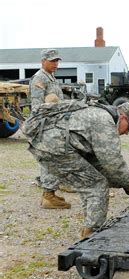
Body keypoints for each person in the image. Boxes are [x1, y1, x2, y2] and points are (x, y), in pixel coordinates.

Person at [23, 97, 129, 239]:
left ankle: (89, 228)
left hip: (49, 145)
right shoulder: (104, 121)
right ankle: (91, 235)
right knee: (97, 185)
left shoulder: (98, 114)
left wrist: (128, 184)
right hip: (56, 148)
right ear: (123, 117)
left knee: (89, 181)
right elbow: (113, 163)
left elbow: (99, 165)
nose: (126, 133)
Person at [29, 48, 69, 209]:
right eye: (52, 61)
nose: (56, 64)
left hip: (55, 124)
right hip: (45, 126)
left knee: (56, 159)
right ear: (43, 61)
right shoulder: (39, 78)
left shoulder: (50, 77)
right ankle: (47, 196)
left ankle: (51, 192)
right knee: (48, 160)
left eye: (57, 61)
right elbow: (37, 108)